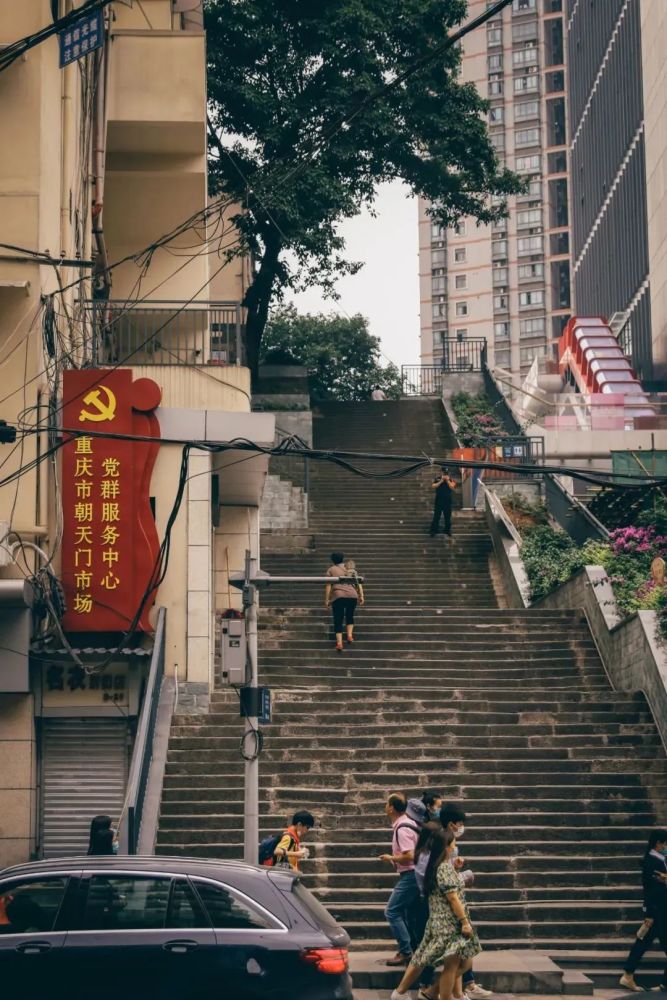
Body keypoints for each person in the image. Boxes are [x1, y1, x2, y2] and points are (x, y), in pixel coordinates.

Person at [391, 827, 481, 1000]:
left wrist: (456, 869)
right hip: (449, 923)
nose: (455, 846)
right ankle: (440, 994)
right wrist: (464, 921)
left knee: (452, 962)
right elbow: (452, 898)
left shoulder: (438, 865)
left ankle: (433, 993)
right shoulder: (443, 868)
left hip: (442, 921)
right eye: (453, 843)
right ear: (446, 846)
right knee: (453, 965)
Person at [440, 803, 491, 1000]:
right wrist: (464, 921)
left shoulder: (448, 845)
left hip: (454, 903)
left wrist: (457, 867)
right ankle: (436, 991)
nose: (461, 827)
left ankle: (459, 992)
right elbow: (448, 886)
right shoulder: (442, 843)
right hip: (450, 908)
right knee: (457, 959)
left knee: (457, 957)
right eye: (459, 823)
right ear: (451, 824)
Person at [620, 828, 667, 992]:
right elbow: (649, 890)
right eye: (665, 844)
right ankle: (628, 975)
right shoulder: (652, 862)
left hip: (661, 912)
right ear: (658, 844)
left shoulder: (660, 860)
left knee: (642, 942)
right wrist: (648, 913)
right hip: (658, 912)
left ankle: (628, 975)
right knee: (642, 942)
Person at [380, 793, 423, 967]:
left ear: (391, 808)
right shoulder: (407, 823)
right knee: (407, 914)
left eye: (387, 803)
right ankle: (412, 948)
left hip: (411, 875)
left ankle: (406, 952)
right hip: (415, 874)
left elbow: (410, 855)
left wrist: (391, 858)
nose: (385, 806)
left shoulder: (402, 828)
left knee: (392, 911)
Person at [325, 551, 364, 652]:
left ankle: (339, 643)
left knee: (338, 618)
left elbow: (328, 585)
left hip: (338, 596)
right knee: (349, 615)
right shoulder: (350, 568)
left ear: (332, 560)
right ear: (342, 559)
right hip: (352, 595)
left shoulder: (331, 569)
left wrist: (327, 599)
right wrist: (361, 595)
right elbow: (358, 582)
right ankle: (350, 636)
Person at [430, 466, 457, 538]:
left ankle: (447, 530)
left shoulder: (451, 479)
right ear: (441, 472)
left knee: (447, 516)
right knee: (436, 516)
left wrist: (447, 481)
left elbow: (452, 487)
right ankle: (434, 530)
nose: (445, 474)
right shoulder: (437, 478)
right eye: (444, 472)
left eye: (446, 473)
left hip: (447, 500)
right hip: (439, 499)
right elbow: (433, 486)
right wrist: (441, 481)